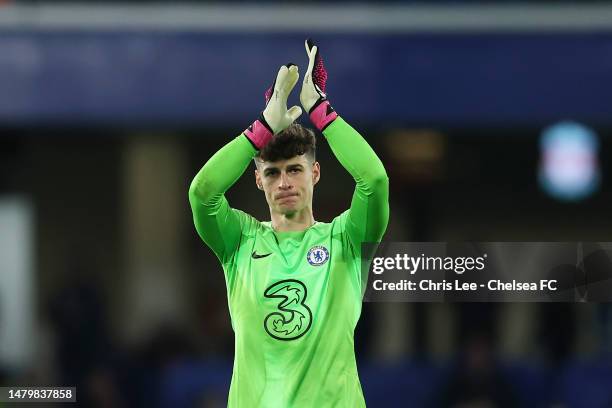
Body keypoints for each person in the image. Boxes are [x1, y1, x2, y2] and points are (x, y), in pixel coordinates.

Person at [189, 39, 389, 407]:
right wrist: (262, 129)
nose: (283, 183)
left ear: (314, 173)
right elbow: (202, 193)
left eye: (294, 170)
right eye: (272, 173)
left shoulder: (345, 239)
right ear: (257, 180)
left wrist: (320, 111)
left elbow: (374, 181)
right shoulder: (239, 242)